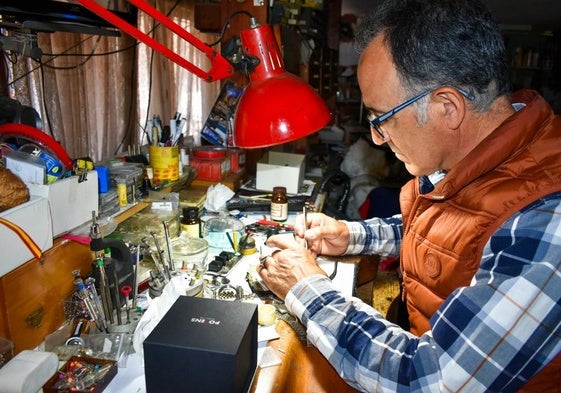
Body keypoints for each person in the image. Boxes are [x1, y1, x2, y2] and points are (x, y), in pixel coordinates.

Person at [256, 0, 561, 391]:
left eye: (382, 118)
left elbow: (429, 379)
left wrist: (306, 287)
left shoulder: (547, 219)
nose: (377, 138)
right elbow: (453, 230)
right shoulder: (478, 157)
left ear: (447, 107)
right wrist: (351, 235)